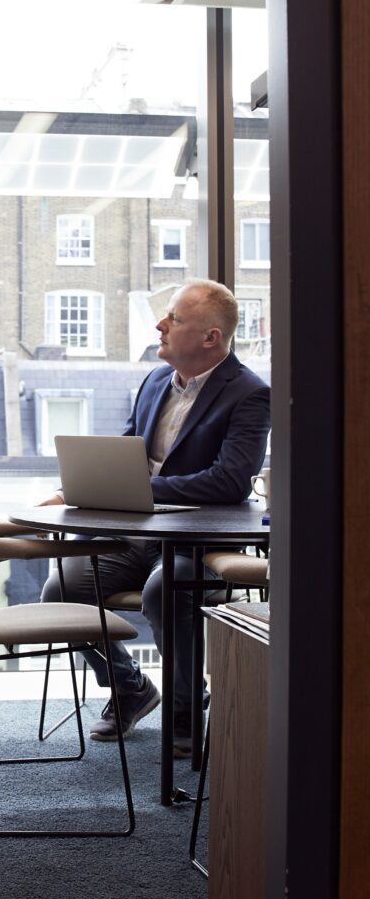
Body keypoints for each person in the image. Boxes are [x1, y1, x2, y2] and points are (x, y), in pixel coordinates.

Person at [41, 279, 270, 754]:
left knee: (163, 591)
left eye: (175, 319)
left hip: (198, 543)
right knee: (61, 590)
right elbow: (126, 456)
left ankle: (187, 708)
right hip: (138, 535)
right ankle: (130, 687)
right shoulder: (152, 383)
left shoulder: (249, 393)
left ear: (210, 337)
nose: (161, 325)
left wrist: (141, 489)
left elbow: (228, 481)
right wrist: (76, 488)